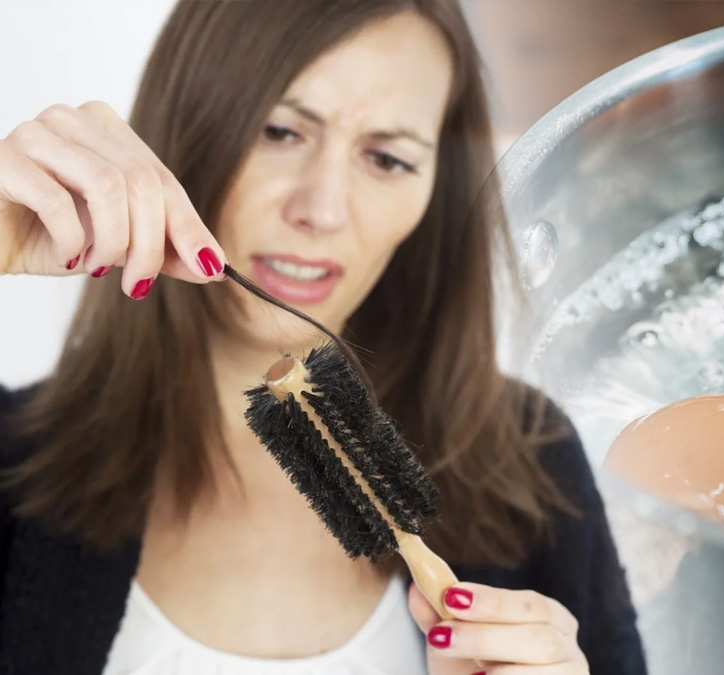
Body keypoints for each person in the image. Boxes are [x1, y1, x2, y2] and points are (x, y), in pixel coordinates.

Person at [0, 1, 645, 673]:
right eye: (280, 131)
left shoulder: (535, 461)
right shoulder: (12, 465)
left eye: (387, 158)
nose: (322, 209)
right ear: (180, 131)